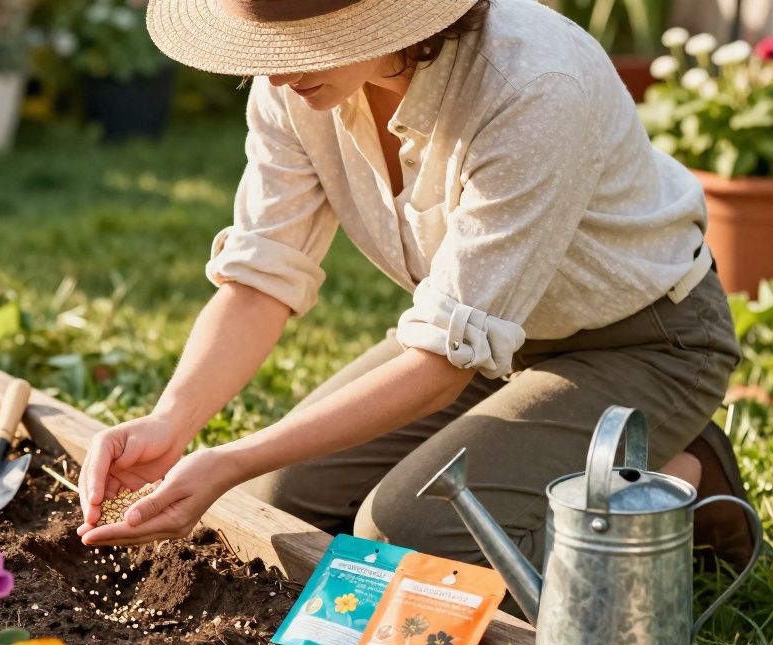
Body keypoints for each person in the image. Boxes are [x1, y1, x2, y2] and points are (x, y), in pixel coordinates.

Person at [75, 0, 756, 569]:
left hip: (643, 344)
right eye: (267, 41)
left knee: (408, 534)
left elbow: (437, 368)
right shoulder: (294, 86)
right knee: (276, 497)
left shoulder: (532, 84)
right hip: (493, 339)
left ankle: (678, 489)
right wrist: (171, 423)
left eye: (306, 41)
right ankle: (565, 456)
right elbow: (260, 280)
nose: (277, 73)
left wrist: (225, 458)